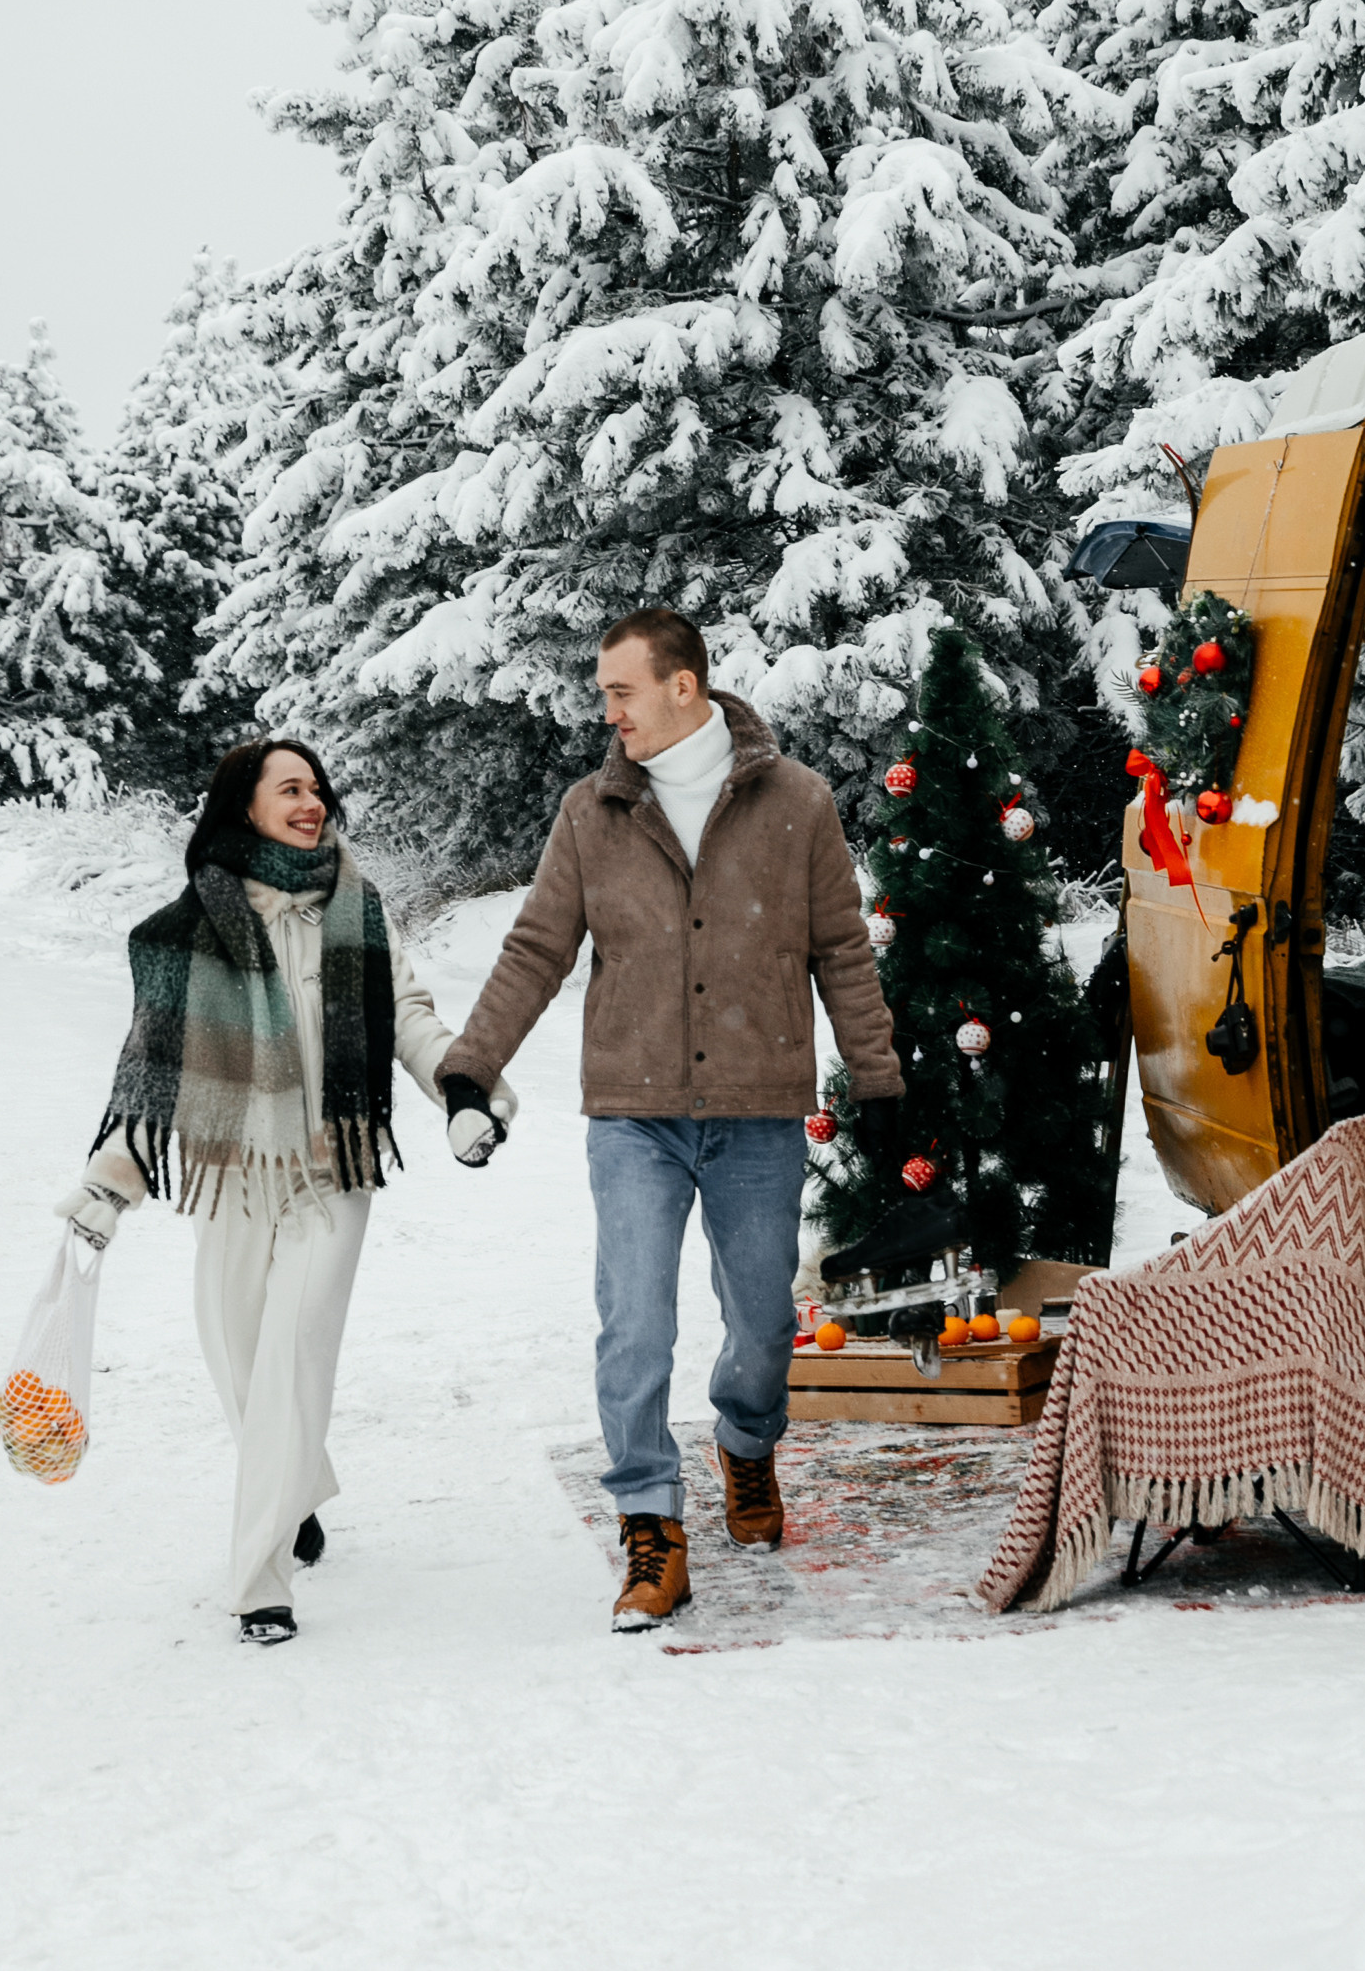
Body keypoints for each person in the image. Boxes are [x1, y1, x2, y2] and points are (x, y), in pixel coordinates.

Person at [433, 609, 904, 1631]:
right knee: (634, 1322)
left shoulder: (796, 803)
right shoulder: (592, 810)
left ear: (682, 686)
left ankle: (745, 1440)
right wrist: (469, 1067)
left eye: (620, 691)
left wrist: (879, 1079)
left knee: (762, 1327)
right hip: (635, 1114)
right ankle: (649, 1523)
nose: (607, 711)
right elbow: (533, 950)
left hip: (758, 1109)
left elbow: (841, 951)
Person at [57, 737, 516, 1646]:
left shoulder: (358, 911)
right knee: (236, 1355)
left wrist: (465, 1093)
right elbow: (156, 1073)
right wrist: (109, 1188)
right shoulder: (192, 927)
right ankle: (297, 1483)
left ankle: (258, 1575)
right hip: (231, 1176)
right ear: (245, 808)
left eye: (318, 790)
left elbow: (412, 1020)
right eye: (291, 790)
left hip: (329, 1171)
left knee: (290, 1362)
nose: (313, 805)